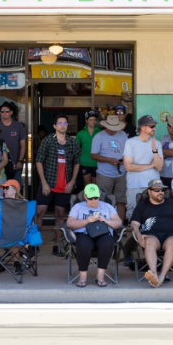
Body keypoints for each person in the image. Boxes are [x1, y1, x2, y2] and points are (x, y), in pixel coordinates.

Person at [129, 179, 173, 288]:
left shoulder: (172, 203)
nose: (160, 192)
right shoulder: (142, 205)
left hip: (171, 234)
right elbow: (134, 224)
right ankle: (154, 274)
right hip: (152, 235)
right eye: (157, 190)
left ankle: (161, 277)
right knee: (148, 242)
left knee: (172, 244)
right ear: (149, 192)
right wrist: (138, 235)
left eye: (162, 190)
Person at [35, 114, 81, 256]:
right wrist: (43, 183)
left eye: (65, 123)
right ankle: (34, 244)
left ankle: (57, 245)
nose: (63, 125)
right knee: (39, 212)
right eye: (60, 123)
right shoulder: (48, 141)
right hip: (48, 183)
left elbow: (77, 163)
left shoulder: (73, 143)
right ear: (54, 126)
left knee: (60, 214)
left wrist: (72, 181)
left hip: (64, 186)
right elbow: (38, 161)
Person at [66, 183, 122, 288]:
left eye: (96, 197)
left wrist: (106, 221)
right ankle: (83, 277)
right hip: (84, 234)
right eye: (90, 198)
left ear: (100, 195)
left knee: (108, 241)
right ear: (85, 196)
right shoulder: (78, 207)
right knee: (82, 243)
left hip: (103, 234)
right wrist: (87, 221)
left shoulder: (107, 207)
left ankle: (100, 276)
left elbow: (118, 223)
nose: (93, 200)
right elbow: (69, 224)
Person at [123, 115, 163, 219]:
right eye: (151, 126)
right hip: (135, 185)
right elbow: (128, 166)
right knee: (133, 216)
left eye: (154, 126)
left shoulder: (157, 144)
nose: (154, 128)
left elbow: (159, 167)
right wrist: (150, 165)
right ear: (142, 127)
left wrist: (155, 151)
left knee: (153, 216)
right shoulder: (130, 142)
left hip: (153, 186)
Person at [91, 115, 128, 223]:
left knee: (121, 201)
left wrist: (124, 160)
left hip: (121, 173)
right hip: (104, 174)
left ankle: (119, 227)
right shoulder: (98, 137)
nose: (113, 131)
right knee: (103, 201)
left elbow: (127, 151)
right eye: (111, 129)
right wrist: (109, 160)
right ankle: (105, 225)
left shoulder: (123, 134)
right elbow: (93, 155)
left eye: (115, 129)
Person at [0, 101, 27, 183]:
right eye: (2, 111)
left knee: (15, 189)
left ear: (11, 112)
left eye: (7, 111)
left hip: (15, 164)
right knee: (0, 192)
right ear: (0, 113)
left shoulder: (19, 126)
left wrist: (20, 161)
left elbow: (23, 145)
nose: (4, 113)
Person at [76, 110, 101, 187]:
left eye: (94, 120)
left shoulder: (100, 132)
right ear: (86, 121)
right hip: (85, 163)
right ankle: (86, 199)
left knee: (95, 185)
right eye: (90, 120)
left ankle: (95, 199)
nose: (93, 122)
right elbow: (76, 148)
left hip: (97, 163)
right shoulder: (80, 133)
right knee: (87, 185)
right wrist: (81, 153)